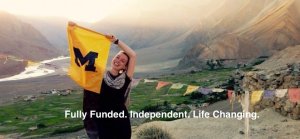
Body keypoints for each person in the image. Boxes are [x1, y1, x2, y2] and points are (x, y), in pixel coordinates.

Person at [83, 33, 136, 139]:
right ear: (113, 58)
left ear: (125, 67)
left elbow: (133, 55)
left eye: (123, 61)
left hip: (121, 122)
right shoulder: (100, 77)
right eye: (117, 57)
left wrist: (116, 41)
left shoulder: (125, 79)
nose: (118, 61)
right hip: (103, 122)